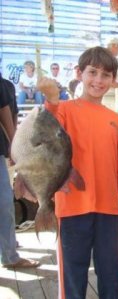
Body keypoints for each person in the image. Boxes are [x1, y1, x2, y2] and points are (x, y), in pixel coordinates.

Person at [37, 46, 118, 299]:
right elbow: (46, 125)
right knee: (73, 275)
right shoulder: (65, 109)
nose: (98, 80)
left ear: (113, 81)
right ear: (79, 73)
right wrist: (51, 99)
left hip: (108, 209)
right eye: (92, 72)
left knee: (111, 273)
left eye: (105, 75)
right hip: (71, 207)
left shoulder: (115, 119)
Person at [0, 73, 40, 269]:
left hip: (1, 149)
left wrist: (13, 146)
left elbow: (9, 112)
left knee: (4, 203)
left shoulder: (5, 85)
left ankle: (9, 253)